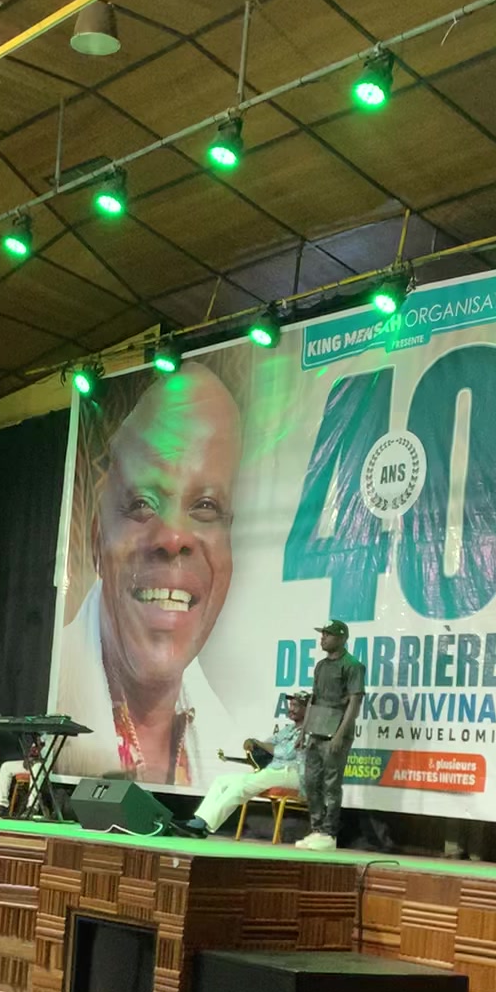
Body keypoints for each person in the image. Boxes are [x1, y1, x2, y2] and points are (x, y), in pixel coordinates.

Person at [56, 362, 243, 783]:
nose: (173, 537)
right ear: (96, 539)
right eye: (142, 503)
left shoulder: (231, 744)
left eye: (207, 506)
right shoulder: (56, 695)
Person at [178, 693, 310, 838]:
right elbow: (269, 743)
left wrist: (260, 744)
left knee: (240, 786)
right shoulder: (289, 729)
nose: (291, 709)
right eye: (291, 705)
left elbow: (285, 752)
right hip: (276, 771)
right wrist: (253, 742)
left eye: (296, 706)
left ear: (307, 709)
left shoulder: (309, 732)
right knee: (222, 781)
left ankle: (201, 825)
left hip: (292, 774)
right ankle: (199, 822)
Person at [297, 620, 365, 850]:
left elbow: (354, 703)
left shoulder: (352, 665)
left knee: (331, 784)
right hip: (316, 729)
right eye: (322, 634)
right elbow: (313, 700)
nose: (323, 638)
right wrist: (303, 731)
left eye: (328, 635)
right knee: (311, 781)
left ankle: (329, 833)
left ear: (342, 638)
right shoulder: (321, 666)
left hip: (336, 731)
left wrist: (339, 735)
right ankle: (316, 829)